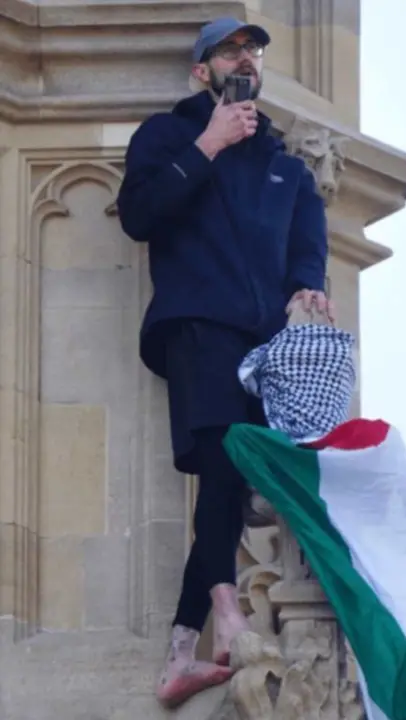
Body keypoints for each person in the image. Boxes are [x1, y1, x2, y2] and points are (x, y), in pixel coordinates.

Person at [115, 17, 333, 708]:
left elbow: (308, 242)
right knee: (222, 460)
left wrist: (308, 286)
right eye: (229, 50)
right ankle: (227, 616)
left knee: (231, 484)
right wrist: (208, 144)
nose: (245, 58)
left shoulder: (285, 164)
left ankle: (184, 649)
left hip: (265, 344)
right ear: (201, 71)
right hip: (199, 323)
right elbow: (139, 214)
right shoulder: (168, 135)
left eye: (253, 50)